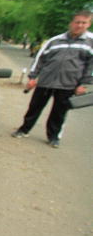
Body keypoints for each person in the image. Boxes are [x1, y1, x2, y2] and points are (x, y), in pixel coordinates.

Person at [11, 10, 93, 148]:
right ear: (71, 23)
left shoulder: (90, 42)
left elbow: (91, 66)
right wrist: (33, 77)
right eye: (77, 22)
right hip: (45, 81)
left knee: (59, 113)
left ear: (88, 24)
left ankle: (54, 136)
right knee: (34, 108)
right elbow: (40, 59)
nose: (79, 25)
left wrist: (84, 84)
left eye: (83, 23)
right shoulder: (55, 40)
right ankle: (24, 129)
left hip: (69, 84)